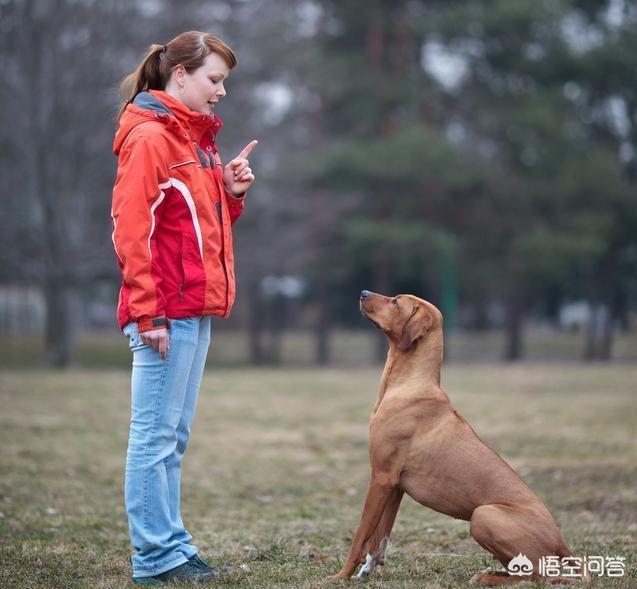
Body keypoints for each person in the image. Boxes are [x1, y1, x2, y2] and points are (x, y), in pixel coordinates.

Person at [111, 31, 256, 585]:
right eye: (214, 80)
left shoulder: (195, 141)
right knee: (153, 437)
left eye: (224, 82)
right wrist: (147, 314)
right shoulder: (151, 138)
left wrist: (230, 191)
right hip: (163, 314)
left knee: (173, 437)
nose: (221, 92)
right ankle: (155, 557)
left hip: (191, 310)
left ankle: (171, 544)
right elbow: (132, 230)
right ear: (180, 76)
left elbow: (195, 231)